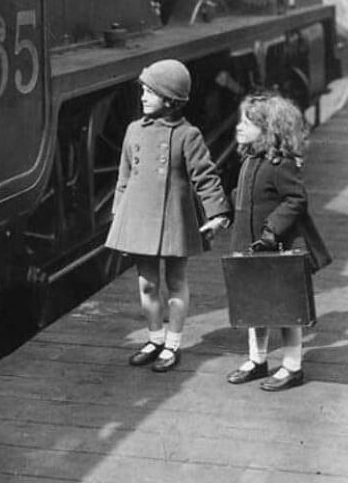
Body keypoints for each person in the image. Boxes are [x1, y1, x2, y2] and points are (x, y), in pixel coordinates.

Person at [105, 59, 231, 372]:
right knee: (147, 283)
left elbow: (206, 176)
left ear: (171, 100)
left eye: (150, 92)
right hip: (140, 219)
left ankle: (172, 344)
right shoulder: (134, 130)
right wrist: (119, 214)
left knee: (176, 281)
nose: (143, 97)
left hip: (175, 219)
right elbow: (124, 177)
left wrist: (217, 212)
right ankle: (154, 338)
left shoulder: (188, 135)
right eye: (143, 91)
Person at [225, 91, 312, 392]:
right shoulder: (250, 160)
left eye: (247, 122)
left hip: (276, 245)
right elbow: (246, 196)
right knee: (253, 304)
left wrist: (272, 229)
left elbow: (295, 199)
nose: (239, 126)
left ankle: (292, 366)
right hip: (248, 244)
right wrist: (227, 212)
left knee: (287, 308)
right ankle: (257, 359)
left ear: (268, 130)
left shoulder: (280, 164)